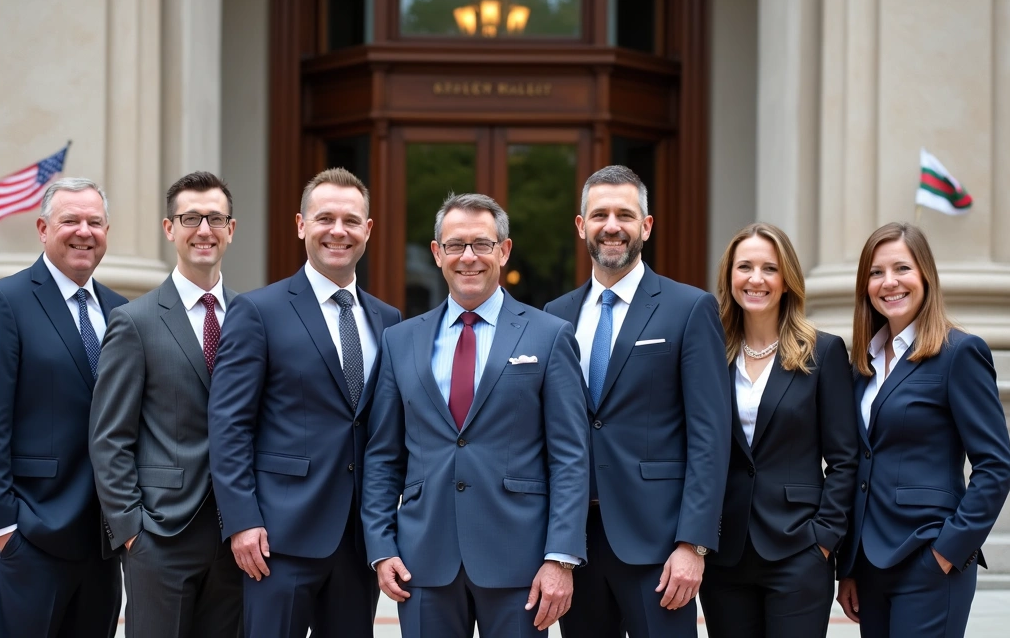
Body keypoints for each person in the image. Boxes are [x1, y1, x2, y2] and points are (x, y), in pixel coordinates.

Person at [362, 193, 590, 638]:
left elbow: (570, 457)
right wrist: (381, 546)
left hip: (521, 563)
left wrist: (560, 557)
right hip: (423, 562)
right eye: (455, 245)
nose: (469, 257)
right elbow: (383, 456)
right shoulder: (400, 340)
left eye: (482, 244)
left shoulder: (549, 336)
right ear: (437, 253)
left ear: (503, 251)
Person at [208, 167, 401, 637]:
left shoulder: (388, 319)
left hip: (358, 542)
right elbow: (229, 424)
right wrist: (242, 521)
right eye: (325, 218)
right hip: (277, 539)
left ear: (368, 230)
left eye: (351, 221)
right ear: (300, 225)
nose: (338, 231)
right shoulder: (258, 311)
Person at [544, 165, 731, 638]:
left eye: (625, 215)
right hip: (576, 545)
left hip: (659, 545)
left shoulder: (689, 308)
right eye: (600, 214)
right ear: (581, 225)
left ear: (646, 226)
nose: (612, 226)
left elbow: (710, 436)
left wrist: (693, 544)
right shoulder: (555, 316)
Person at [0, 178, 126, 638]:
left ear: (107, 232)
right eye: (70, 220)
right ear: (43, 228)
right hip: (30, 533)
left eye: (95, 222)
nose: (84, 232)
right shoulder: (2, 303)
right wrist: (4, 529)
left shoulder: (121, 311)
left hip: (102, 539)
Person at [835, 222, 1010, 637]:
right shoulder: (861, 364)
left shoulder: (959, 353)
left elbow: (995, 466)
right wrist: (849, 566)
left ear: (926, 276)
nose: (889, 282)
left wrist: (948, 551)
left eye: (902, 268)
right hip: (869, 566)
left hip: (928, 559)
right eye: (876, 272)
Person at [89, 171, 242, 637]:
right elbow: (109, 437)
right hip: (160, 534)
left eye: (215, 218)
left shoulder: (252, 317)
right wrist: (131, 531)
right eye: (190, 218)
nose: (204, 230)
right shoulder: (133, 322)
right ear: (169, 228)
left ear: (231, 229)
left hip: (237, 535)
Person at [697, 222, 859, 637]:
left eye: (769, 268)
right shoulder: (709, 352)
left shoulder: (823, 352)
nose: (756, 279)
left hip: (798, 551)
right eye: (745, 267)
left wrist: (824, 540)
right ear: (729, 277)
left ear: (787, 280)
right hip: (724, 552)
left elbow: (844, 459)